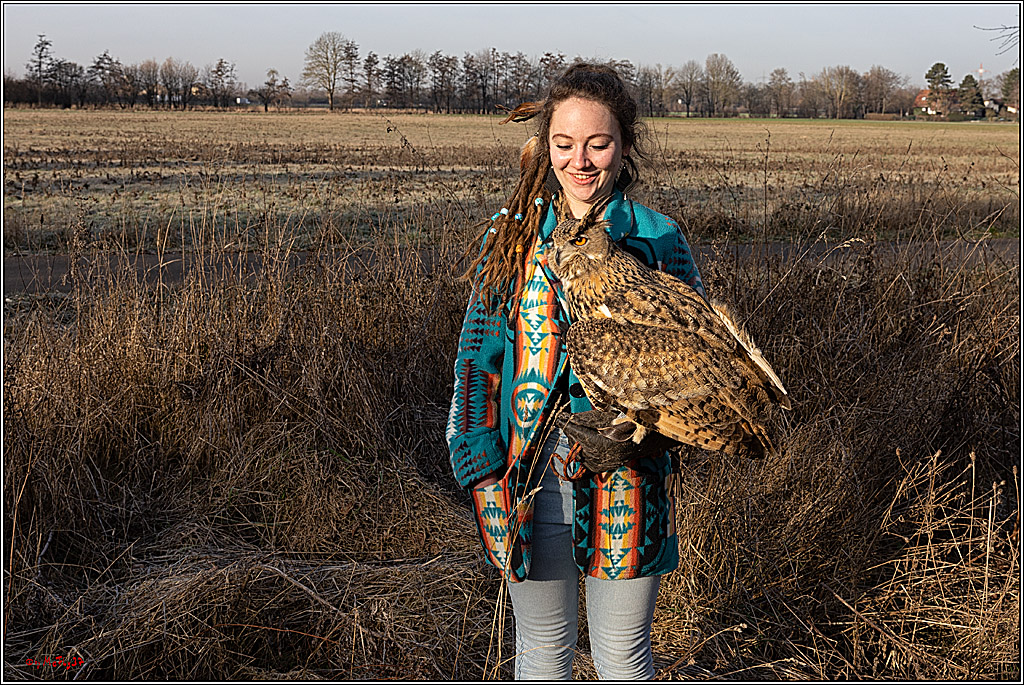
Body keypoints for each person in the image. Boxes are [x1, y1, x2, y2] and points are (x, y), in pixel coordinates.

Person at [446, 63, 706, 680]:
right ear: (545, 148)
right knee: (540, 651)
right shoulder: (509, 239)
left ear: (624, 147)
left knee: (623, 658)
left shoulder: (658, 240)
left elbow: (700, 367)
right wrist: (476, 445)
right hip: (520, 482)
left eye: (598, 143)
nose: (580, 161)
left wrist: (650, 432)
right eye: (564, 144)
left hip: (627, 484)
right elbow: (475, 357)